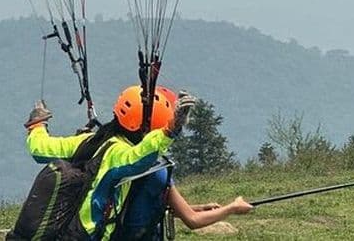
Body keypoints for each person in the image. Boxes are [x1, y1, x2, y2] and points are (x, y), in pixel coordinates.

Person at [18, 85, 195, 240]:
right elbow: (140, 158)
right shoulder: (117, 152)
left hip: (66, 230)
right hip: (88, 235)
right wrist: (169, 131)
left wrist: (37, 125)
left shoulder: (89, 139)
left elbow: (40, 149)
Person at [115, 87, 253, 240]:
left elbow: (139, 209)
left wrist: (200, 208)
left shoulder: (116, 159)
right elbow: (193, 220)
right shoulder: (156, 171)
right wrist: (232, 208)